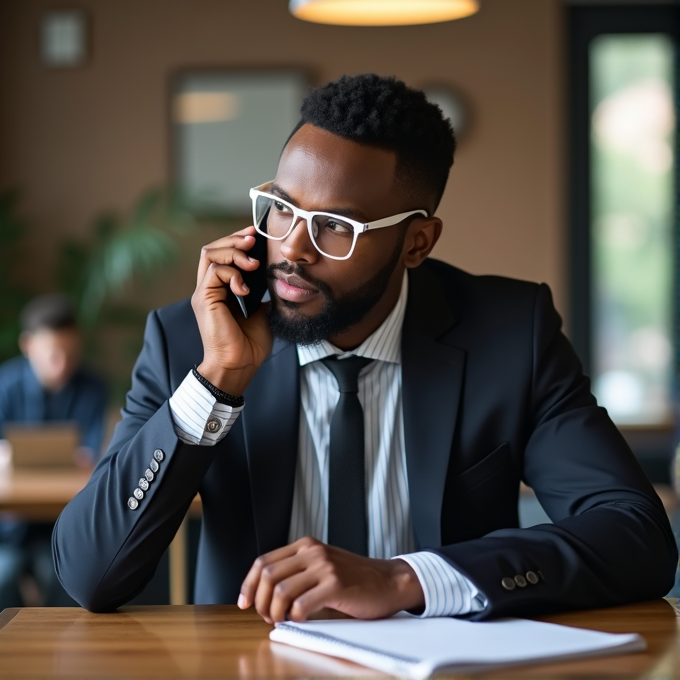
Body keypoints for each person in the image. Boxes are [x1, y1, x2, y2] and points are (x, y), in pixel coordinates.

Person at [53, 74, 676, 621]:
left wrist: (404, 579)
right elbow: (89, 575)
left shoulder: (510, 335)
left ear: (417, 243)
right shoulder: (191, 340)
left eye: (334, 228)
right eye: (281, 210)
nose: (291, 248)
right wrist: (217, 383)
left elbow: (637, 536)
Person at [0, 294, 107, 607]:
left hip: (65, 522)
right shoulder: (5, 385)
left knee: (69, 579)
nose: (62, 366)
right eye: (53, 355)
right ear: (28, 345)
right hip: (10, 524)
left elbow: (90, 455)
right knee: (4, 577)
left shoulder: (92, 387)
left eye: (71, 355)